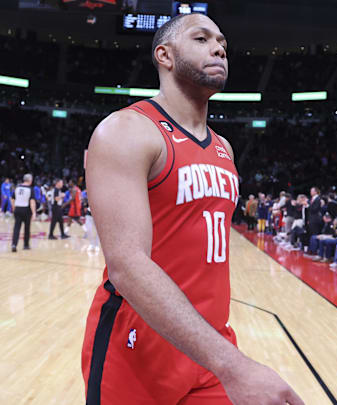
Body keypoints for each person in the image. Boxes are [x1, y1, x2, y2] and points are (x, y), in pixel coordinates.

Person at [81, 13, 302, 405]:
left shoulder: (224, 148)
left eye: (222, 43)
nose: (218, 47)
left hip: (208, 347)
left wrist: (223, 360)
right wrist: (233, 365)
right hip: (138, 351)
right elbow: (127, 265)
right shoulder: (126, 130)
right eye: (201, 39)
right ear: (164, 55)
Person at [10, 173, 36, 252]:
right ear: (30, 180)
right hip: (26, 210)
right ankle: (26, 245)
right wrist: (34, 212)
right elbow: (32, 202)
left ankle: (14, 244)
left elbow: (12, 199)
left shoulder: (17, 188)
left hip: (17, 209)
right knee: (27, 228)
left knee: (16, 228)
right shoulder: (30, 189)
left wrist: (14, 208)